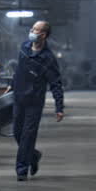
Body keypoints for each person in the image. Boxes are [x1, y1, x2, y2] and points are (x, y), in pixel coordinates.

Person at [7, 20, 65, 181]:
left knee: (27, 136)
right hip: (19, 98)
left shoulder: (48, 59)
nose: (31, 31)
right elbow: (19, 70)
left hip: (34, 102)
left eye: (35, 30)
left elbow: (56, 84)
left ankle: (21, 170)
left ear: (43, 35)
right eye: (32, 28)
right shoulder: (25, 47)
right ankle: (34, 156)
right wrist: (12, 86)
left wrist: (59, 107)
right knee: (17, 133)